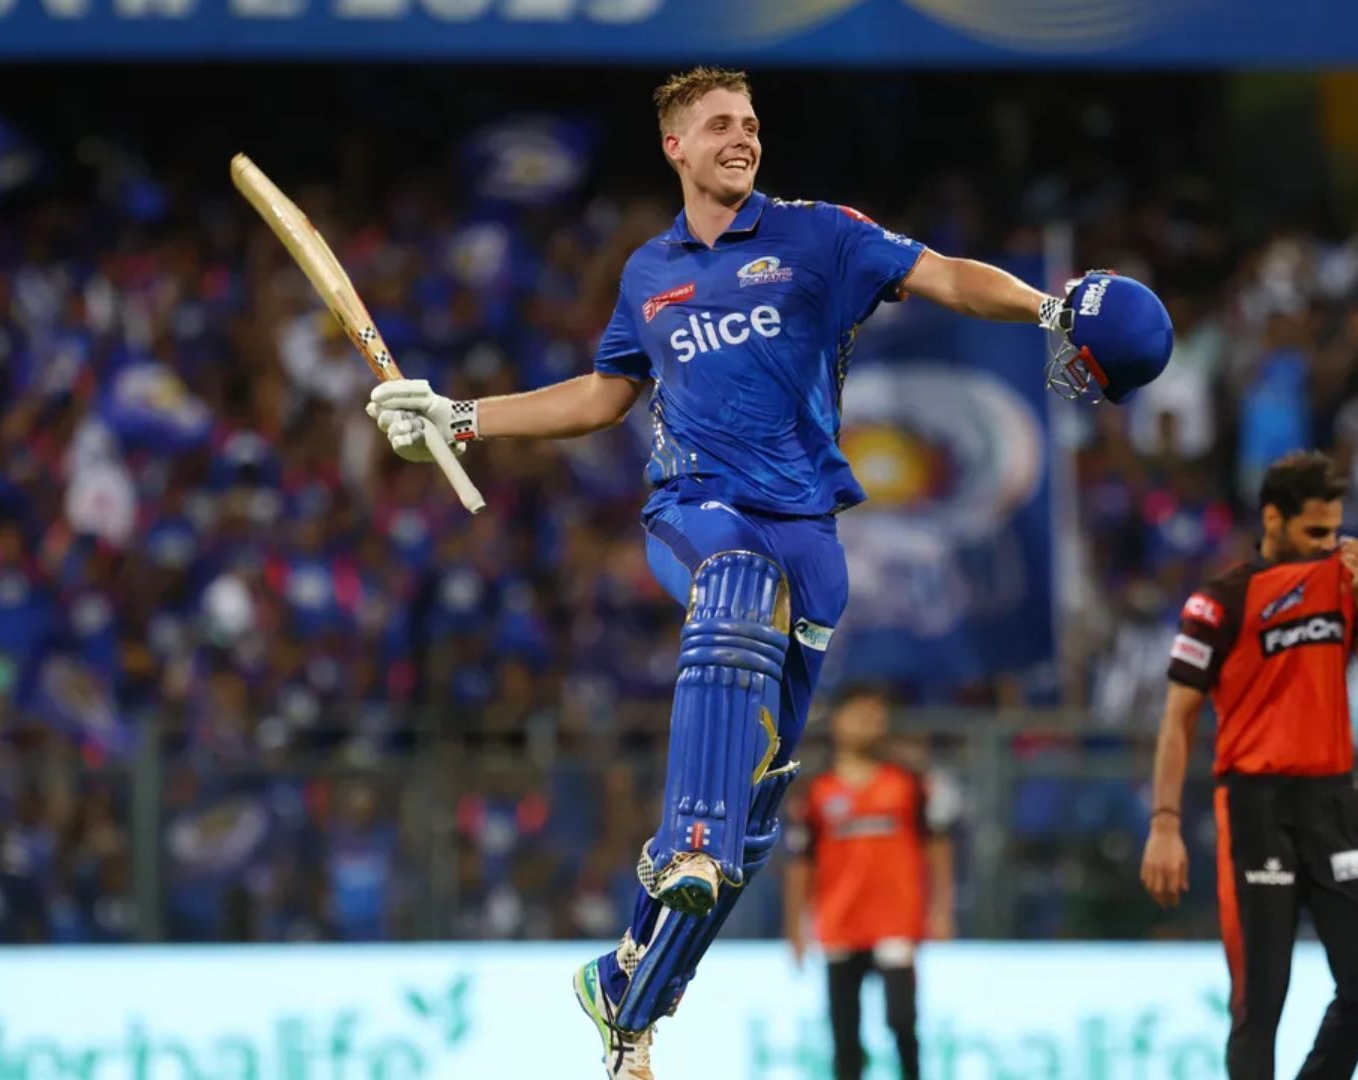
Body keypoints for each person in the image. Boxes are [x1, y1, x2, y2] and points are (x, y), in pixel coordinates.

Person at [364, 66, 1173, 1079]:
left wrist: (1048, 311)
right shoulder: (646, 273)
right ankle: (685, 838)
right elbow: (605, 394)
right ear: (676, 146)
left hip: (810, 535)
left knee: (757, 810)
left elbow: (948, 275)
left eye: (749, 122)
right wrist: (461, 417)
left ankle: (630, 997)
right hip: (696, 514)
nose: (741, 137)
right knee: (734, 596)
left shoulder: (819, 235)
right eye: (719, 125)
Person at [1139, 449, 1358, 1079]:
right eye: (1314, 532)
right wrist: (1164, 822)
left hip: (1334, 801)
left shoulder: (1345, 583)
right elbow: (1178, 717)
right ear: (1272, 519)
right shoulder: (1219, 601)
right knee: (1259, 1004)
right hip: (1255, 805)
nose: (1328, 544)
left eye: (1335, 531)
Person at [782, 685, 954, 1080]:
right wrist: (795, 928)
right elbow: (799, 864)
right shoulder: (816, 791)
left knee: (902, 1022)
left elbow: (938, 846)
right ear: (838, 721)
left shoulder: (909, 782)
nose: (871, 721)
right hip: (840, 924)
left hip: (896, 921)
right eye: (861, 712)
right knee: (844, 1033)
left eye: (877, 713)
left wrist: (941, 908)